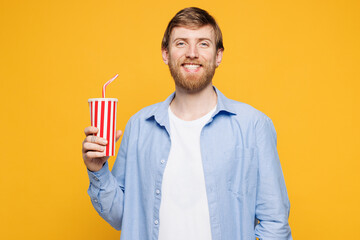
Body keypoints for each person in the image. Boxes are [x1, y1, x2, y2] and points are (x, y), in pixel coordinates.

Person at [82, 7, 292, 240]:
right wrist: (98, 169)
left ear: (218, 55)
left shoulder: (253, 126)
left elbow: (275, 222)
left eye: (203, 43)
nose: (192, 53)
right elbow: (122, 216)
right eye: (181, 43)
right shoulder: (139, 126)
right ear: (166, 54)